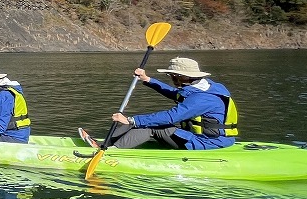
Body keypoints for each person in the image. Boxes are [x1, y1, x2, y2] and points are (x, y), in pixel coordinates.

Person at [99, 56, 238, 150]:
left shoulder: (203, 98)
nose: (170, 78)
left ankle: (112, 152)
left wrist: (131, 120)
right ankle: (105, 143)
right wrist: (147, 79)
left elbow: (171, 117)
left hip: (209, 142)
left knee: (149, 126)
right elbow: (174, 93)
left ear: (181, 77)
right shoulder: (204, 87)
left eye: (171, 75)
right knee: (140, 122)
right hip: (205, 138)